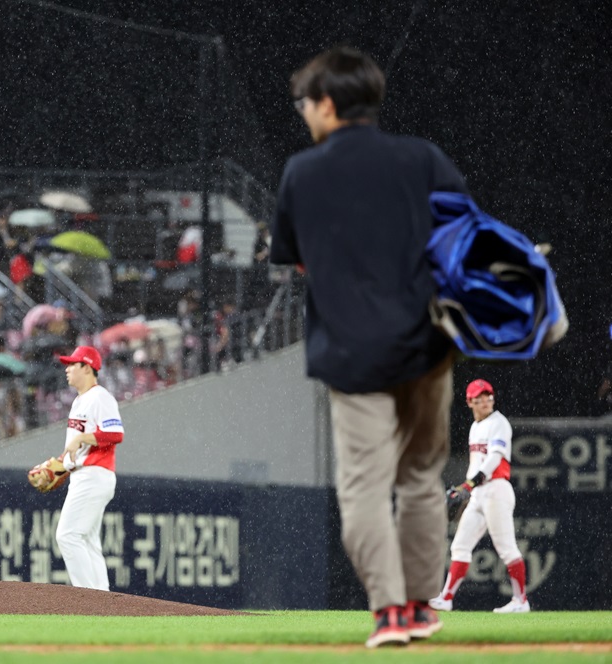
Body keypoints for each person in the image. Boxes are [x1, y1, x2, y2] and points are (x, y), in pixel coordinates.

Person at [269, 46, 469, 648]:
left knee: (363, 484)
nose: (304, 112)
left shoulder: (303, 172)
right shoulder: (423, 158)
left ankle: (389, 612)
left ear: (328, 104)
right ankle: (418, 603)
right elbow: (463, 238)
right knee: (420, 480)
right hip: (426, 345)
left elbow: (292, 257)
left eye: (307, 102)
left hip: (352, 350)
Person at [429, 379, 530, 614]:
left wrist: (469, 484)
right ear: (469, 401)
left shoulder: (499, 423)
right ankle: (446, 598)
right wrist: (469, 488)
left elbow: (494, 459)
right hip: (480, 493)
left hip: (496, 489)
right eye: (479, 397)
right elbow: (477, 464)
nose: (485, 400)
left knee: (506, 548)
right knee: (460, 546)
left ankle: (520, 600)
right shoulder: (476, 427)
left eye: (488, 396)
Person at [55, 346, 124, 590]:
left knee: (67, 536)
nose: (67, 369)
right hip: (85, 474)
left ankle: (87, 598)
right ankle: (102, 599)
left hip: (94, 473)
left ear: (86, 367)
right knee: (88, 540)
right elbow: (76, 445)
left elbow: (116, 433)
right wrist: (60, 464)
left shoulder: (100, 397)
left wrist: (82, 439)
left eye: (72, 364)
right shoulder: (79, 401)